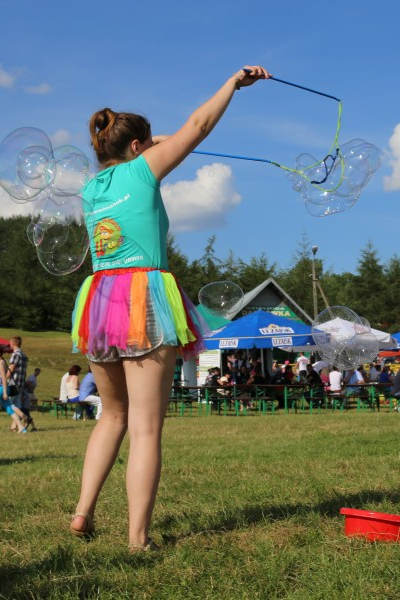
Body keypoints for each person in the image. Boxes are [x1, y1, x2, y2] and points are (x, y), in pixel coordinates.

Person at [67, 65, 271, 550]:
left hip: (99, 298)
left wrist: (142, 141)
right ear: (139, 149)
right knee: (146, 428)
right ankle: (138, 538)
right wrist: (231, 84)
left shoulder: (90, 188)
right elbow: (197, 127)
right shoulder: (143, 170)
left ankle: (82, 512)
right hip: (143, 295)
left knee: (111, 415)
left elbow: (144, 148)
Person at [8, 336, 35, 430]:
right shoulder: (24, 356)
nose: (9, 345)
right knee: (17, 404)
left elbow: (11, 367)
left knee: (10, 404)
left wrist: (4, 379)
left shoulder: (16, 354)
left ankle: (25, 418)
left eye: (10, 343)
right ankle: (15, 426)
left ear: (14, 344)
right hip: (21, 383)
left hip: (13, 382)